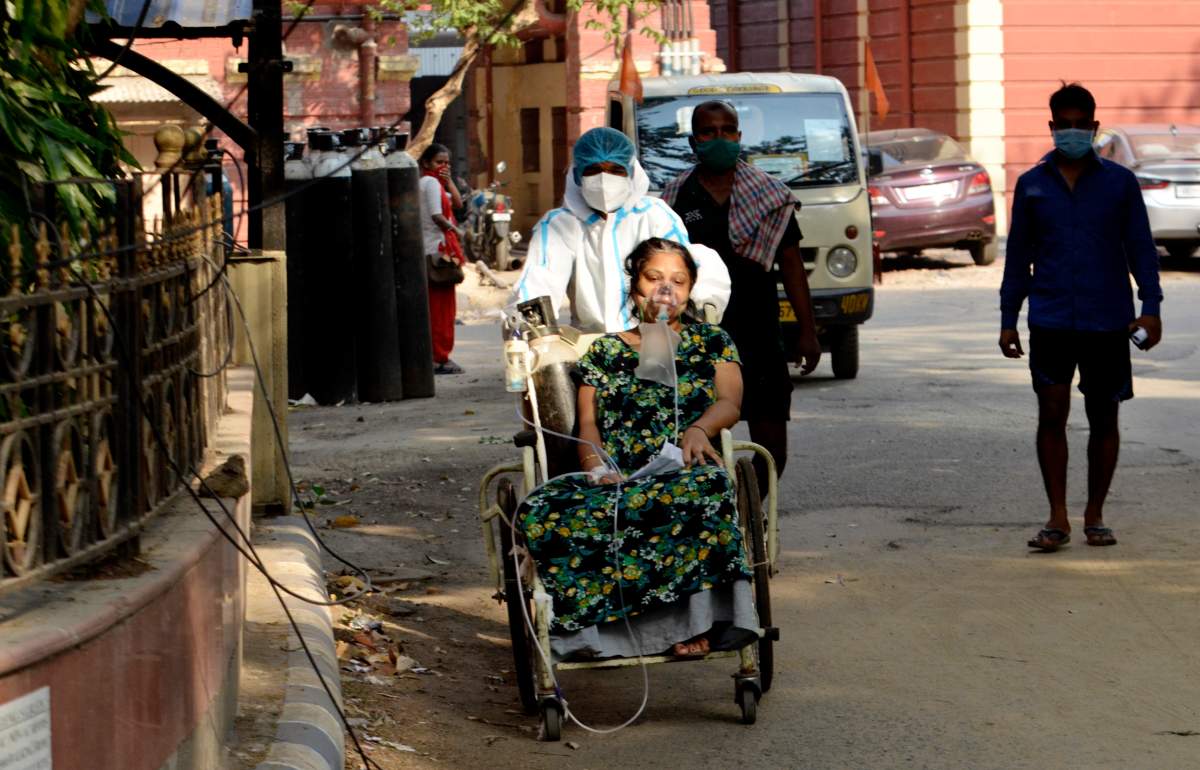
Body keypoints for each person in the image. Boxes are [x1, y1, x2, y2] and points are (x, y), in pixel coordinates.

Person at [518, 238, 756, 659]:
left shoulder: (712, 342)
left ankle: (694, 624)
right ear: (635, 288)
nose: (666, 290)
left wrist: (698, 431)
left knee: (705, 491)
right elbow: (588, 424)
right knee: (546, 510)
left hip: (683, 466)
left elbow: (729, 402)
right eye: (654, 278)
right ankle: (593, 637)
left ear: (690, 290)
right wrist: (596, 468)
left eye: (678, 281)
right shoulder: (607, 352)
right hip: (618, 474)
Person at [999, 82, 1163, 552]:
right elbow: (1017, 260)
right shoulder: (1033, 185)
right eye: (1063, 124)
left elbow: (1141, 250)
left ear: (1093, 126)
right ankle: (1057, 517)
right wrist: (1009, 318)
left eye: (1080, 124)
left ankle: (1095, 515)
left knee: (1103, 417)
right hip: (1049, 318)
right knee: (1051, 413)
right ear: (1052, 128)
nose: (1071, 131)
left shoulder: (1119, 183)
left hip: (1108, 319)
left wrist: (1150, 308)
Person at [662, 100, 821, 490]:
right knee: (701, 444)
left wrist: (808, 331)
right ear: (693, 140)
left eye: (727, 131)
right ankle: (722, 518)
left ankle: (753, 510)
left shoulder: (769, 196)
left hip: (760, 334)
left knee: (772, 449)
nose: (719, 139)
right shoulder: (675, 199)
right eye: (708, 132)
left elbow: (792, 267)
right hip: (697, 342)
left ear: (739, 136)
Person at [511, 127, 730, 332]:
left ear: (631, 173)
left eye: (616, 170)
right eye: (594, 170)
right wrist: (533, 331)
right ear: (578, 175)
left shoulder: (654, 215)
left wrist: (706, 302)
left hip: (651, 339)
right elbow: (539, 281)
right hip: (590, 346)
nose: (605, 179)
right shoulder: (560, 225)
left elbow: (687, 265)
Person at [419, 143, 466, 375]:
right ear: (426, 163)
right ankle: (440, 358)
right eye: (439, 162)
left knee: (439, 308)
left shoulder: (434, 184)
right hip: (437, 253)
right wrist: (456, 231)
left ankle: (438, 356)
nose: (444, 166)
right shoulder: (429, 183)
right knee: (441, 310)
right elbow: (438, 216)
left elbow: (457, 204)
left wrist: (449, 181)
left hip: (433, 251)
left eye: (447, 163)